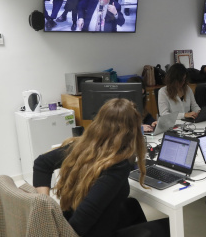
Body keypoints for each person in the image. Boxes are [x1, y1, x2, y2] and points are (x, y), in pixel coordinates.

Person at [33, 98, 170, 237]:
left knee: (132, 206)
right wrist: (46, 207)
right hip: (85, 230)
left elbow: (42, 163)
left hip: (72, 219)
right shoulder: (117, 164)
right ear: (130, 131)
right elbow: (84, 217)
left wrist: (45, 206)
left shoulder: (81, 146)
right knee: (166, 227)